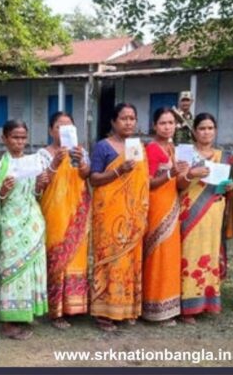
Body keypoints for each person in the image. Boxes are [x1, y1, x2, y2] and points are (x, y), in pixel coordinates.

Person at [0, 120, 50, 340]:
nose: (19, 142)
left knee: (30, 269)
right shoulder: (1, 167)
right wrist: (2, 191)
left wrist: (40, 184)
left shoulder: (32, 163)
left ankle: (24, 313)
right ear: (4, 139)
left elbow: (35, 195)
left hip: (32, 223)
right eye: (15, 137)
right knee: (11, 270)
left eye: (23, 138)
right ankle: (9, 322)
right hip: (11, 224)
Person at [89, 103, 149, 331]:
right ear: (113, 122)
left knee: (129, 261)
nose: (129, 122)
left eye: (132, 118)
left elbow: (142, 182)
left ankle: (126, 309)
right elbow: (94, 179)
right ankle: (104, 312)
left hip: (132, 215)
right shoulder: (103, 147)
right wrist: (118, 170)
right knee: (110, 259)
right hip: (109, 215)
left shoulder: (139, 148)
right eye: (124, 118)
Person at [177, 113, 233, 324]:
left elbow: (226, 185)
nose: (206, 132)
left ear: (215, 130)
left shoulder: (223, 156)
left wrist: (229, 187)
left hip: (214, 210)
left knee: (209, 254)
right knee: (189, 254)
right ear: (194, 131)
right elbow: (178, 184)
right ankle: (186, 306)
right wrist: (192, 174)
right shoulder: (185, 153)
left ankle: (206, 302)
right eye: (202, 128)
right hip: (190, 210)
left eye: (210, 128)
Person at [37, 112, 91, 330]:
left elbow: (86, 175)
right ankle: (56, 310)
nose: (64, 130)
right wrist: (56, 162)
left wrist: (80, 162)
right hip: (54, 212)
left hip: (77, 210)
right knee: (57, 257)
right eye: (59, 126)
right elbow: (40, 183)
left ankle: (76, 306)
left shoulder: (81, 151)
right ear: (51, 130)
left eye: (69, 126)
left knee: (77, 256)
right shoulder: (43, 154)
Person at [142, 107, 188, 326]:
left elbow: (178, 181)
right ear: (154, 126)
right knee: (158, 256)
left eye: (171, 123)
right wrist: (170, 173)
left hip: (172, 203)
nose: (168, 127)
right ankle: (154, 308)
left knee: (169, 256)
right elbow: (148, 182)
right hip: (157, 206)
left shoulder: (172, 148)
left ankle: (169, 306)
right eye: (163, 123)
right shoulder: (151, 149)